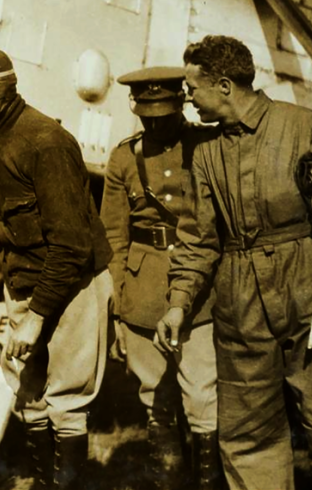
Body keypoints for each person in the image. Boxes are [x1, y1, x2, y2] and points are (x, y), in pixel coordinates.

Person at [155, 35, 312, 490]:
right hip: (241, 308)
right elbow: (198, 239)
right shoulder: (206, 153)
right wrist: (178, 304)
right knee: (247, 434)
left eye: (191, 87)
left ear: (223, 85)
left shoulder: (305, 128)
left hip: (311, 294)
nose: (187, 98)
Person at [0, 47, 114, 489]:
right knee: (28, 392)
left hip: (73, 281)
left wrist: (35, 318)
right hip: (26, 275)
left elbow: (73, 243)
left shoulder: (46, 142)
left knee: (67, 397)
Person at [101, 67, 220, 489]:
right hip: (144, 287)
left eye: (163, 114)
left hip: (200, 291)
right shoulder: (123, 157)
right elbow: (113, 234)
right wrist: (118, 303)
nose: (154, 123)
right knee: (155, 398)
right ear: (135, 108)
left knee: (204, 396)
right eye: (146, 115)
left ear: (181, 106)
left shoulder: (207, 146)